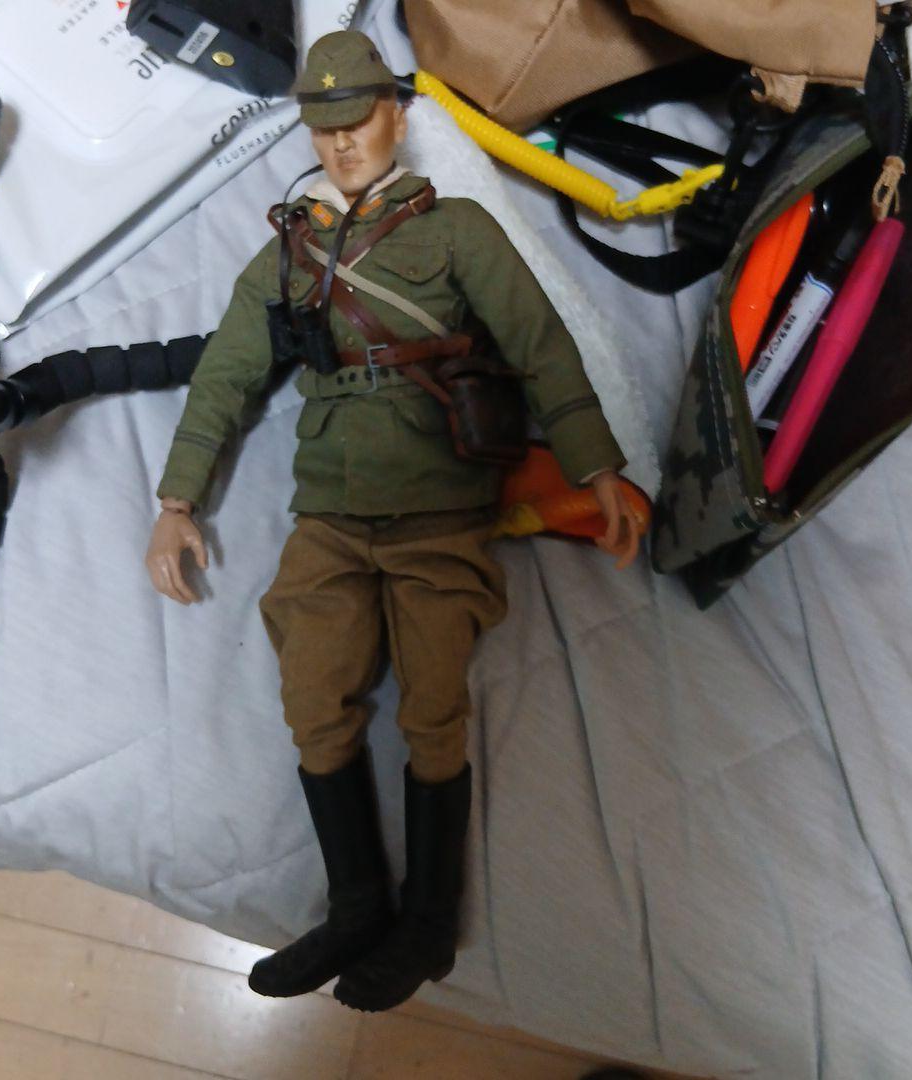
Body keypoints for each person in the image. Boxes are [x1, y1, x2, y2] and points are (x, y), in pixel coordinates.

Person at [145, 29, 642, 1014]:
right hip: (330, 511)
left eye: (358, 120)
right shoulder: (289, 251)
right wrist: (177, 498)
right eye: (322, 126)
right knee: (312, 696)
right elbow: (228, 375)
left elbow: (540, 345)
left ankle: (428, 922)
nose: (341, 143)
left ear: (397, 115)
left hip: (439, 507)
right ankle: (357, 905)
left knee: (434, 708)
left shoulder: (454, 231)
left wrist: (597, 465)